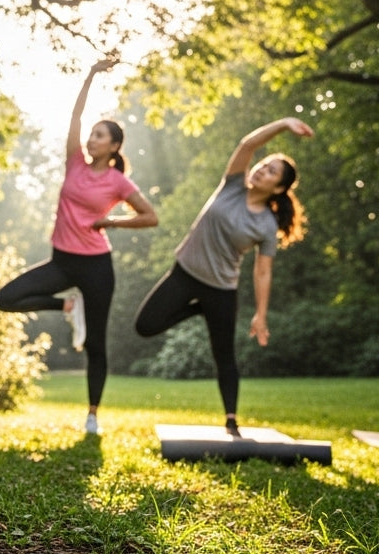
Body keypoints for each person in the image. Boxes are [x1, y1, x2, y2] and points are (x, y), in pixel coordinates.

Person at [0, 57, 157, 436]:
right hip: (62, 262)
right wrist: (91, 75)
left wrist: (111, 222)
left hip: (96, 266)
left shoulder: (118, 182)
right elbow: (75, 118)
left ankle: (93, 415)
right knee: (6, 298)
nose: (92, 139)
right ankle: (67, 305)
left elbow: (150, 216)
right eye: (92, 134)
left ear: (114, 146)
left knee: (96, 343)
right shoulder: (75, 163)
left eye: (100, 136)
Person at [134, 118, 312, 437]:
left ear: (279, 188)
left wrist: (261, 314)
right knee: (145, 325)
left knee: (224, 355)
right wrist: (284, 125)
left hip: (221, 289)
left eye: (271, 171)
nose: (262, 169)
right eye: (265, 164)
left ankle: (231, 420)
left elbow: (263, 271)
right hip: (185, 273)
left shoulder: (266, 226)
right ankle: (197, 310)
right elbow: (247, 145)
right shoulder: (232, 185)